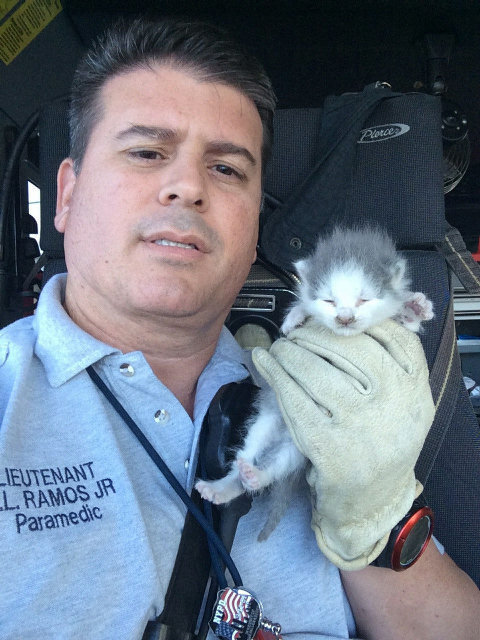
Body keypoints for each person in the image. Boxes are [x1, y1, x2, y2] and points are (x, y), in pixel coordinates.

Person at [0, 16, 479, 640]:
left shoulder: (336, 402)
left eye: (228, 169)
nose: (188, 186)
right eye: (147, 152)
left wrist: (377, 516)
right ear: (67, 194)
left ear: (253, 227)